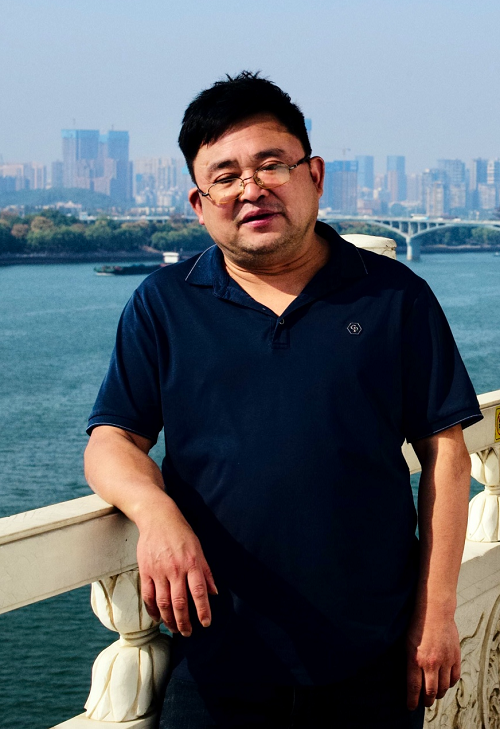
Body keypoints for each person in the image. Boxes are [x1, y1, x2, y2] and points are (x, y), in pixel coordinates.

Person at [84, 72, 482, 729]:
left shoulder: (394, 296)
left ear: (314, 176)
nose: (251, 188)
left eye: (272, 165)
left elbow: (447, 453)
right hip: (217, 661)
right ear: (199, 203)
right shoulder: (164, 304)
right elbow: (112, 439)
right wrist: (155, 513)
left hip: (372, 660)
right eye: (226, 176)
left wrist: (437, 613)